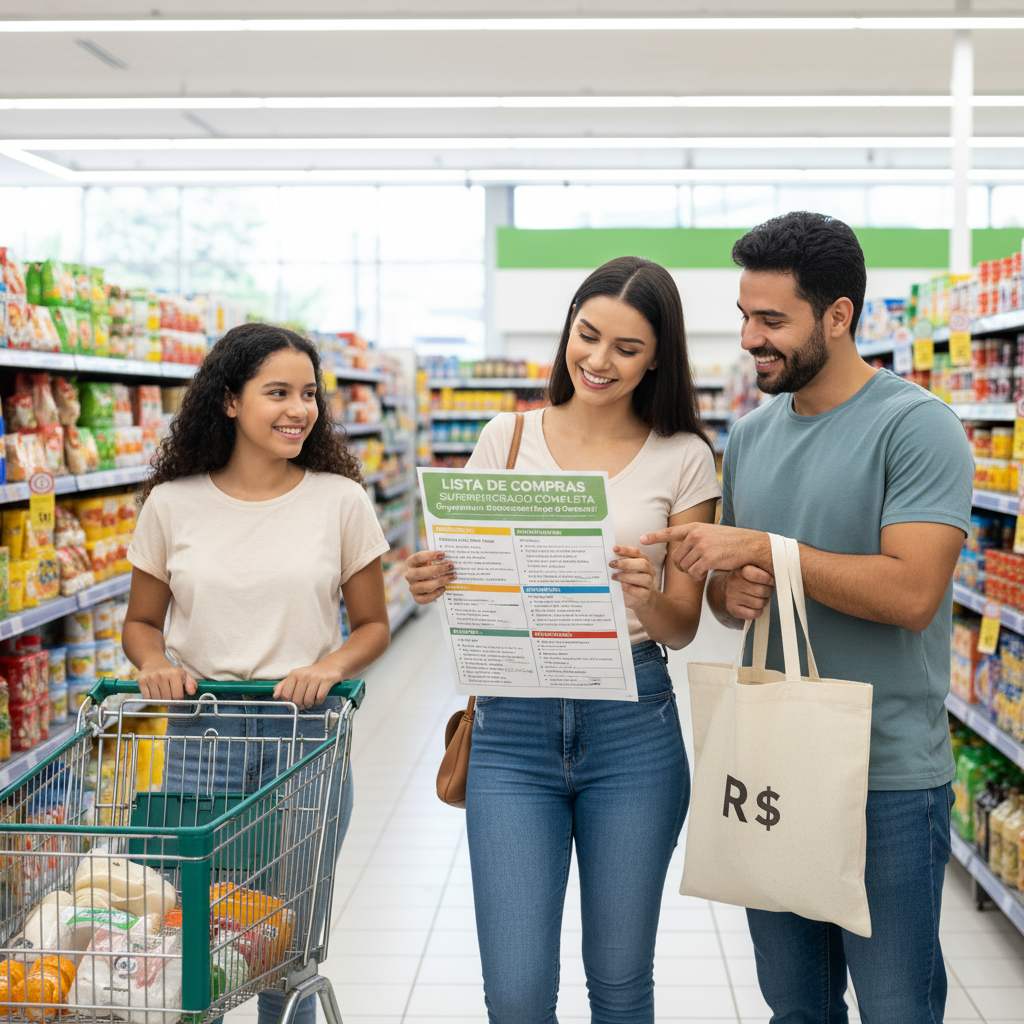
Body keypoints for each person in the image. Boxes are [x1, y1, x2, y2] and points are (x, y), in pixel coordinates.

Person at [642, 211, 974, 1024]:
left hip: (885, 776)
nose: (750, 339)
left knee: (897, 1007)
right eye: (744, 316)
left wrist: (767, 547)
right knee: (795, 1007)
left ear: (838, 316)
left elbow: (912, 595)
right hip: (774, 767)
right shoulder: (752, 437)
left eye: (772, 320)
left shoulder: (917, 427)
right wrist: (729, 591)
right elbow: (732, 594)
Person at [405, 256, 721, 1024]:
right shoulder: (506, 438)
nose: (599, 360)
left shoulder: (684, 457)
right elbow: (467, 570)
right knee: (516, 994)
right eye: (588, 335)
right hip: (512, 729)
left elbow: (683, 626)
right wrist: (434, 579)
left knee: (619, 982)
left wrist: (646, 594)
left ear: (658, 358)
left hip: (633, 728)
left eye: (627, 347)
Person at [122, 322, 391, 1024]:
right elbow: (140, 623)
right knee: (189, 937)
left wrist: (328, 665)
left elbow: (372, 624)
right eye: (278, 393)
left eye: (309, 394)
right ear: (230, 400)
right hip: (201, 733)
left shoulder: (340, 500)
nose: (300, 409)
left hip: (303, 733)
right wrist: (154, 663)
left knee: (286, 940)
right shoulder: (172, 503)